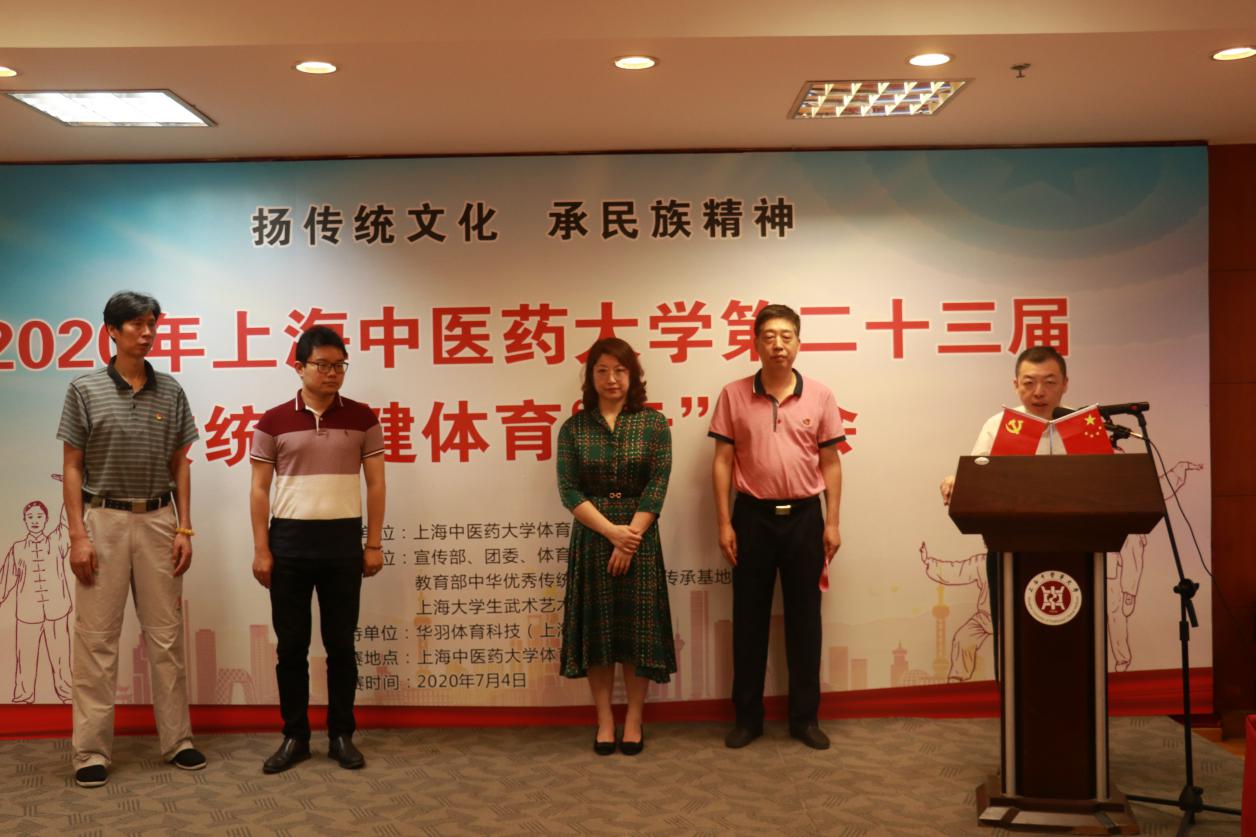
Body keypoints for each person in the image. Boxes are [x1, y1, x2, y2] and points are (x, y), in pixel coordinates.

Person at [56, 290, 205, 788]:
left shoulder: (171, 390)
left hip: (160, 518)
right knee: (96, 640)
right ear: (112, 332)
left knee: (166, 637)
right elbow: (72, 465)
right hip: (104, 520)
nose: (147, 333)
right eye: (137, 324)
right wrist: (78, 535)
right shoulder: (84, 389)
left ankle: (178, 741)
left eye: (151, 324)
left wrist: (184, 526)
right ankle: (90, 752)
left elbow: (180, 462)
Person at [250, 325, 385, 773]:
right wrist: (262, 549)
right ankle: (295, 736)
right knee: (291, 648)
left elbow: (376, 484)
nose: (332, 373)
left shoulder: (363, 418)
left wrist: (373, 543)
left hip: (342, 546)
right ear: (299, 367)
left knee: (341, 645)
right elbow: (258, 490)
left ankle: (342, 735)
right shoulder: (272, 422)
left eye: (339, 365)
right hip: (288, 546)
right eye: (323, 365)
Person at [709, 304, 844, 750]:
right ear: (755, 343)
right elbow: (722, 461)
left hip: (806, 518)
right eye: (769, 336)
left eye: (786, 336)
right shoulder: (733, 395)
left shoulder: (820, 395)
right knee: (748, 620)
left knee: (806, 621)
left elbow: (830, 461)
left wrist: (833, 522)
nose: (778, 345)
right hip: (752, 518)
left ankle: (805, 719)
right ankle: (748, 719)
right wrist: (724, 522)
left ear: (799, 342)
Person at [556, 337, 675, 756]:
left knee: (637, 634)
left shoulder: (653, 424)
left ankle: (635, 718)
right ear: (591, 376)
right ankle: (605, 719)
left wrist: (629, 539)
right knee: (599, 635)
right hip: (594, 537)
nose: (612, 379)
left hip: (640, 538)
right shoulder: (574, 429)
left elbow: (657, 484)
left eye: (620, 370)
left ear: (633, 375)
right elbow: (569, 490)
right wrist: (611, 533)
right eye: (603, 370)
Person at [938, 344, 1071, 678]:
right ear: (1015, 385)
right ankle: (1012, 701)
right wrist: (957, 480)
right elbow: (975, 476)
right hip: (1009, 548)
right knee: (1013, 638)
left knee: (1065, 639)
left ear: (1064, 384)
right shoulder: (1000, 426)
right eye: (1029, 382)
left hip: (1072, 550)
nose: (1039, 392)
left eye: (1049, 382)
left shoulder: (1080, 428)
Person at [0, 494, 73, 703]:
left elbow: (67, 522)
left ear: (46, 519)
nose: (35, 521)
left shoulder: (57, 541)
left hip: (57, 611)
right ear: (24, 520)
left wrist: (67, 487)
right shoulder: (17, 549)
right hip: (27, 614)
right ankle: (23, 697)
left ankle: (68, 696)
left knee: (61, 658)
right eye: (30, 517)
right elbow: (5, 580)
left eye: (39, 516)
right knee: (25, 658)